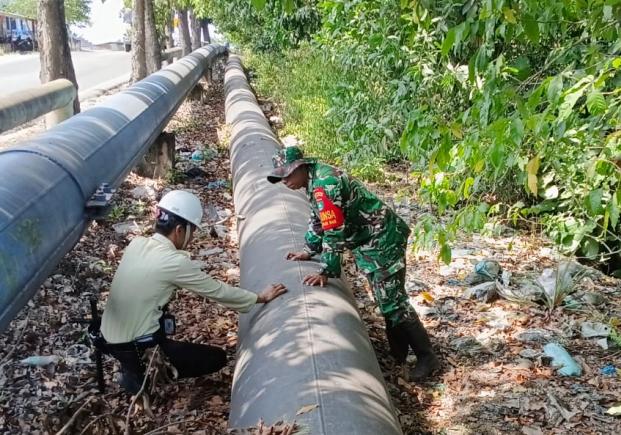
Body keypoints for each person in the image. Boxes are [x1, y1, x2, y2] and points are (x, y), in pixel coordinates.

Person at [267, 146, 440, 381]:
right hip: (369, 240)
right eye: (281, 177)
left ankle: (427, 357)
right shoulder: (314, 181)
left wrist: (326, 270)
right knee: (384, 299)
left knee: (393, 301)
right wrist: (309, 250)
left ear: (301, 166)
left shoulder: (325, 184)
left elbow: (333, 229)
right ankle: (398, 353)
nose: (285, 181)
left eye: (288, 175)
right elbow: (318, 220)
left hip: (382, 239)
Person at [100, 190, 287, 394]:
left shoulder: (137, 244)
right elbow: (217, 291)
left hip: (108, 340)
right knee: (217, 358)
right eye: (193, 232)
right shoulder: (174, 262)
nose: (192, 238)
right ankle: (142, 375)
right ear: (180, 230)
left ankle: (132, 370)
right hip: (139, 347)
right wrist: (260, 297)